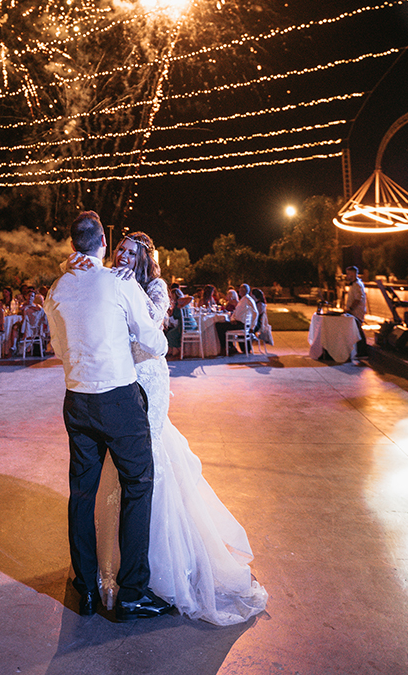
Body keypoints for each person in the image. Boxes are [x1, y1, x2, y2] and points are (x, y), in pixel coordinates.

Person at [67, 233, 268, 625]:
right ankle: (115, 565)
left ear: (145, 258)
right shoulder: (109, 280)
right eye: (120, 250)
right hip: (118, 379)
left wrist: (127, 296)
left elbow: (154, 325)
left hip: (148, 375)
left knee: (149, 459)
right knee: (118, 468)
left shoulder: (154, 286)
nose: (123, 256)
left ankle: (161, 567)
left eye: (131, 252)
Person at [45, 212, 172, 622]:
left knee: (82, 493)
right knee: (138, 484)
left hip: (76, 399)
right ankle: (132, 593)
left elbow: (58, 346)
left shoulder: (57, 289)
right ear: (103, 241)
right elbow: (154, 341)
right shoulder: (119, 283)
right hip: (117, 400)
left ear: (73, 245)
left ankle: (84, 590)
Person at [216, 284, 259, 355]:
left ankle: (225, 347)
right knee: (222, 325)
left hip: (241, 324)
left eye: (240, 290)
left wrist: (252, 327)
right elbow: (236, 312)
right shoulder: (243, 300)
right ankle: (230, 346)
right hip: (238, 322)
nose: (239, 291)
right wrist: (232, 319)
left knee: (219, 326)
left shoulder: (248, 300)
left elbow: (255, 312)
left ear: (243, 291)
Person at [344, 266, 368, 357]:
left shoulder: (357, 285)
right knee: (356, 331)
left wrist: (350, 309)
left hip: (357, 312)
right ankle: (360, 351)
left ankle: (363, 352)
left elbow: (358, 299)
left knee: (358, 331)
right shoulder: (354, 284)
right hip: (354, 311)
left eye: (348, 273)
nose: (347, 276)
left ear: (353, 274)